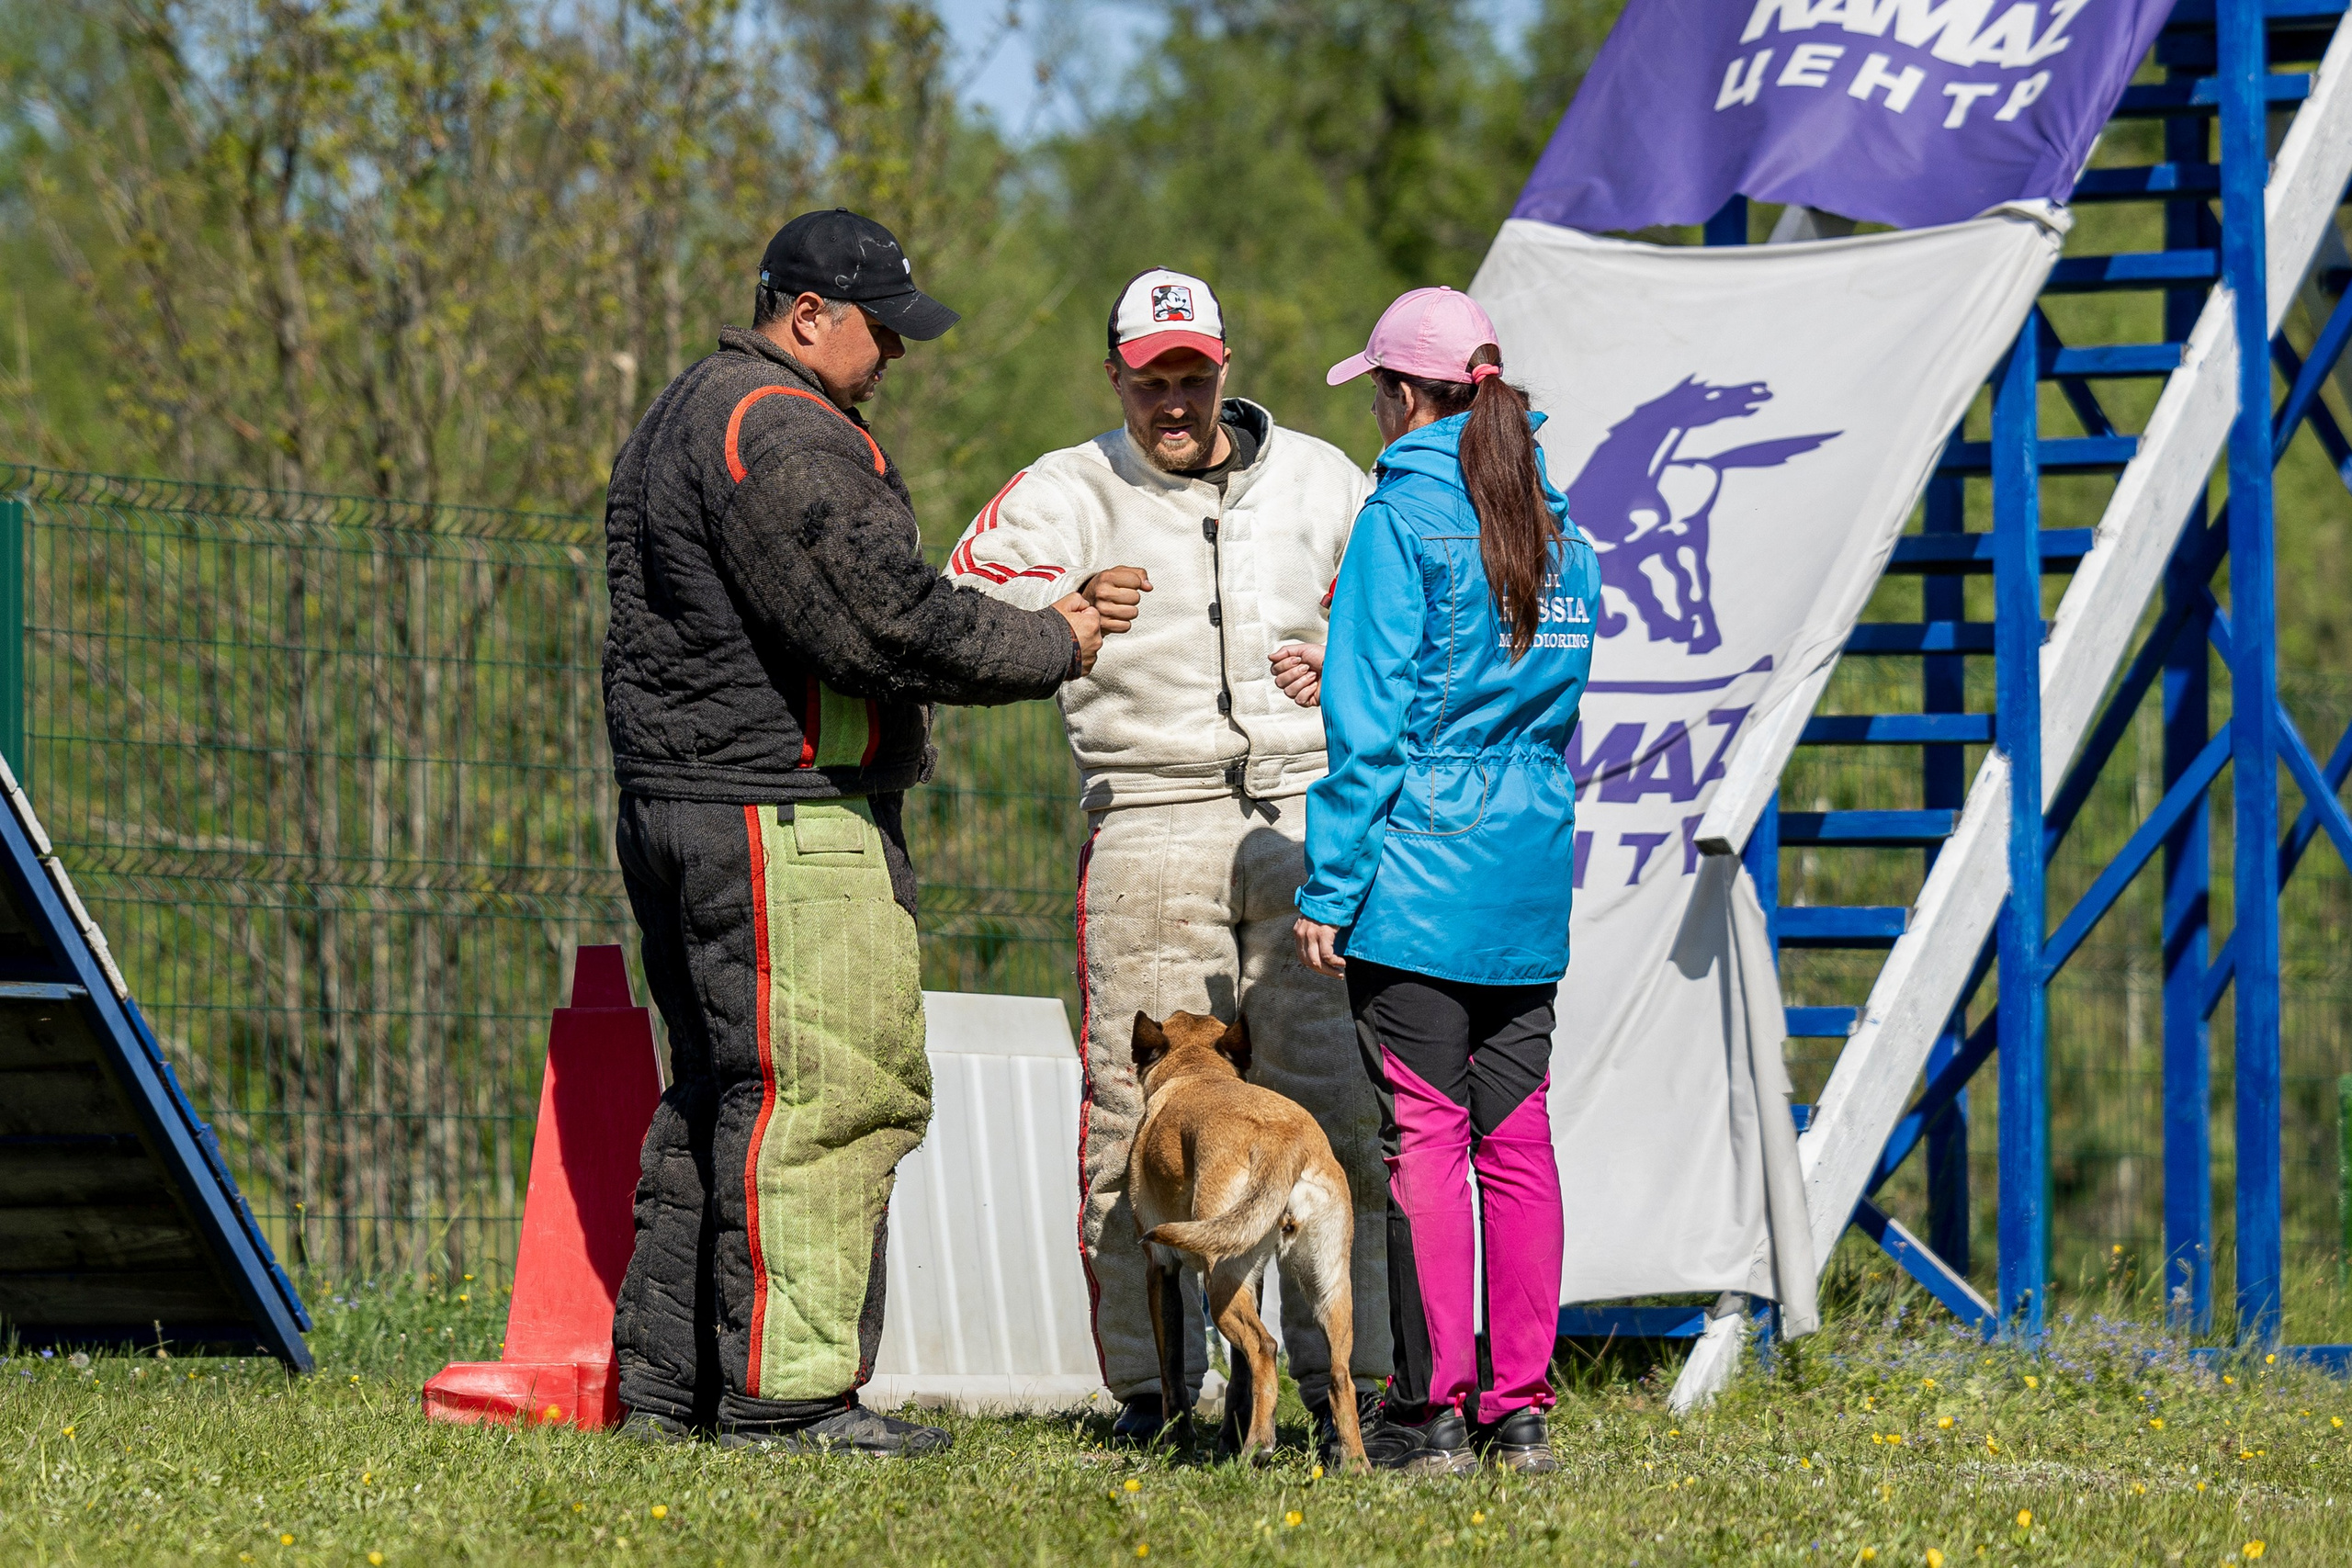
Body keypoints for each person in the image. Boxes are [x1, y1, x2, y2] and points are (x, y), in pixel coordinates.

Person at [599, 208, 1104, 1456]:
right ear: (808, 315)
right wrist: (1058, 640)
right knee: (832, 1096)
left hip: (684, 799)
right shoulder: (780, 426)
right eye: (881, 330)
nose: (895, 356)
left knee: (724, 1097)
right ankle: (791, 1399)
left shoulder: (691, 407)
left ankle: (673, 1395)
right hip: (783, 816)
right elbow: (879, 623)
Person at [944, 268, 1387, 1461]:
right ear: (1118, 381)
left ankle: (1362, 1377)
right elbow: (956, 594)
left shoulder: (1325, 480)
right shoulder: (1070, 485)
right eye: (1153, 383)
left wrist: (1347, 646)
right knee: (1133, 1122)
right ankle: (1153, 1389)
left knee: (1338, 1103)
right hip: (1151, 811)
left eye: (1193, 376)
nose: (1175, 402)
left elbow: (1408, 601)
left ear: (1226, 369)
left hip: (1307, 811)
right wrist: (1069, 601)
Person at [1295, 287, 1600, 1475]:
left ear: (1402, 395)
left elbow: (1367, 725)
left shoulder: (1400, 515)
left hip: (1420, 869)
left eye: (1375, 390)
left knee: (1423, 1136)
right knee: (1517, 1137)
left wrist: (1332, 885)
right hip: (1526, 865)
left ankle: (1426, 1415)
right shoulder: (1554, 521)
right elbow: (1549, 708)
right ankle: (1517, 1412)